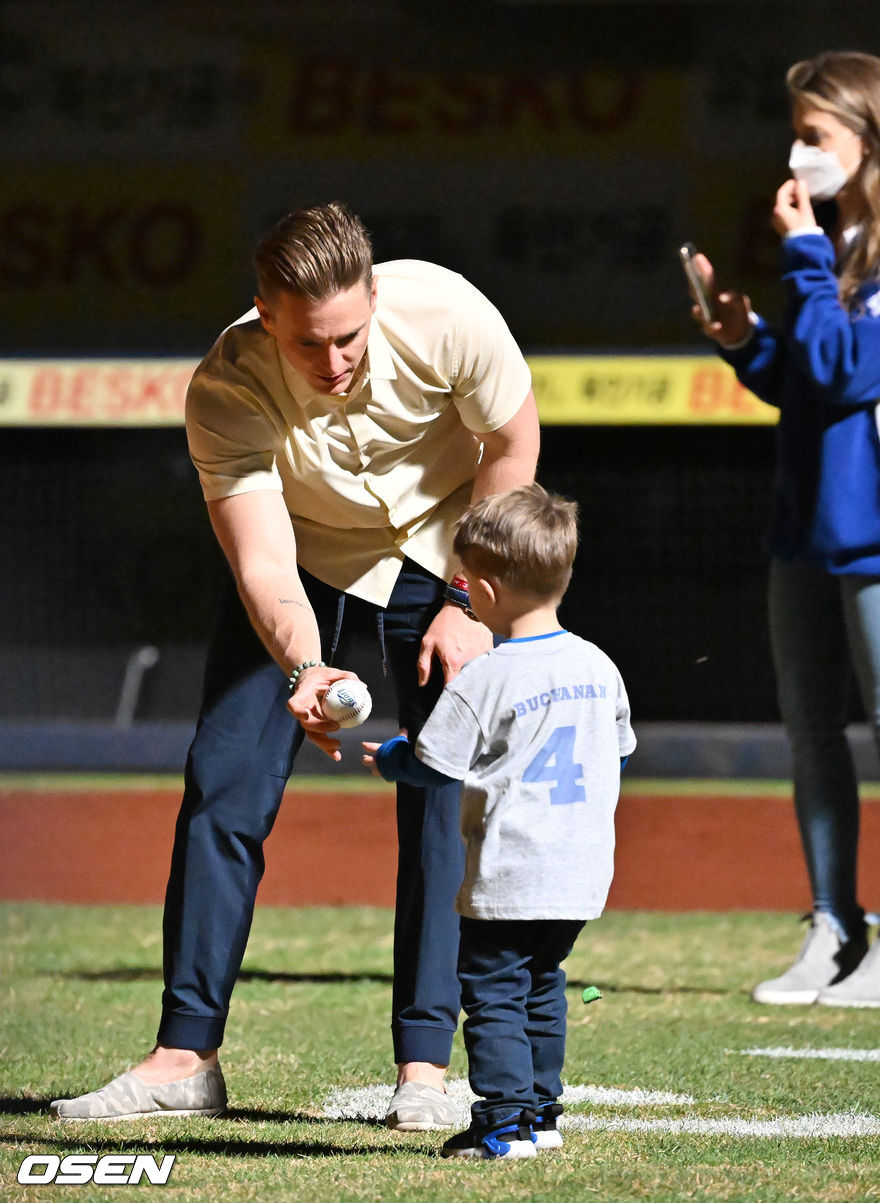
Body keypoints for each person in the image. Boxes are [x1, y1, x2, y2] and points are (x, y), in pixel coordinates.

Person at [49, 202, 540, 1124]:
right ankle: (185, 1056)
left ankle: (426, 1072)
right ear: (265, 316)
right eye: (309, 344)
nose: (335, 363)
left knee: (439, 794)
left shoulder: (451, 315)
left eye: (351, 336)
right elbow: (263, 560)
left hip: (443, 554)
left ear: (376, 298)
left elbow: (513, 447)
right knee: (225, 780)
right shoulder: (225, 386)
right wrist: (304, 666)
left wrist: (472, 600)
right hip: (304, 556)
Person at [689, 52, 880, 1007]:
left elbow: (855, 369)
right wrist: (747, 342)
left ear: (873, 139)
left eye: (815, 134)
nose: (798, 150)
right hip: (810, 526)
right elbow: (813, 377)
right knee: (813, 731)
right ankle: (834, 927)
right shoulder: (848, 246)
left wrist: (806, 259)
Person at [363, 484, 636, 1159]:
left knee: (491, 994)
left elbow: (434, 764)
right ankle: (543, 1112)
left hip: (512, 869)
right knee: (543, 985)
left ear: (481, 589)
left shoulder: (486, 675)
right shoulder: (599, 665)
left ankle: (505, 1122)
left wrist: (394, 756)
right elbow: (619, 747)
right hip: (577, 870)